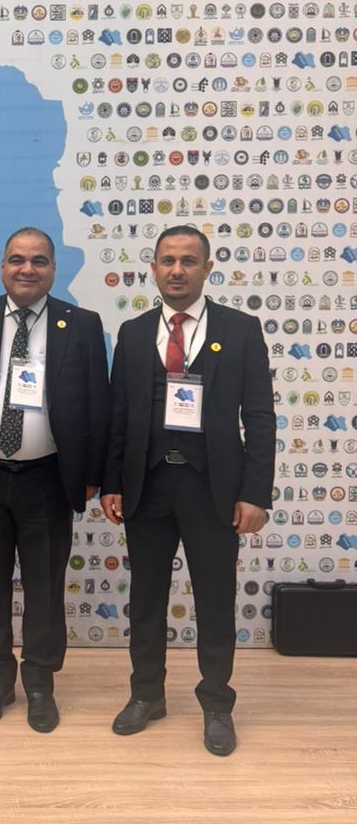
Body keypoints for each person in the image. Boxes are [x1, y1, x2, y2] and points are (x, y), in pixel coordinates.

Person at [101, 226, 275, 756]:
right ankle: (146, 695)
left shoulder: (240, 330)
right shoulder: (133, 333)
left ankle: (217, 704)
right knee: (145, 600)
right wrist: (112, 482)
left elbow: (260, 417)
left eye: (188, 261)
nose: (177, 270)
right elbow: (119, 415)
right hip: (147, 487)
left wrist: (256, 494)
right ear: (153, 268)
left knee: (215, 600)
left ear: (207, 268)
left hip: (213, 489)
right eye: (168, 260)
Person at [0, 228, 110, 732]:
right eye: (17, 259)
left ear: (53, 269)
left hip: (49, 479)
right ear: (2, 267)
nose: (27, 269)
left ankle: (39, 683)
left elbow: (98, 405)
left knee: (45, 587)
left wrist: (93, 475)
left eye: (38, 261)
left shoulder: (81, 324)